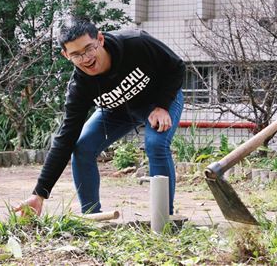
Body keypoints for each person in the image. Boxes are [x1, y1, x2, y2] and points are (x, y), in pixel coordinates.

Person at [15, 19, 185, 216]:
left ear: (100, 39)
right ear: (66, 55)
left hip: (159, 101)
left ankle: (165, 218)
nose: (86, 58)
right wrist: (39, 193)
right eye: (76, 55)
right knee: (82, 147)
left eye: (89, 49)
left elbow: (177, 67)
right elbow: (65, 138)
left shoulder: (136, 43)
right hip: (116, 111)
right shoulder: (79, 88)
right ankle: (92, 216)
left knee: (156, 144)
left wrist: (163, 105)